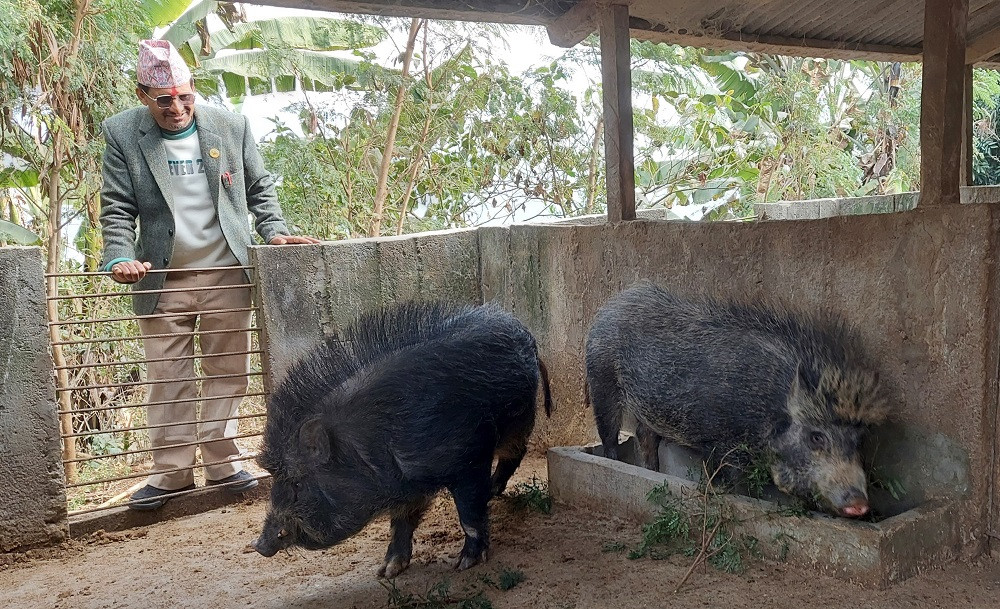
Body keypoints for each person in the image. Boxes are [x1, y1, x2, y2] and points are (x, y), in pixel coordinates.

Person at [99, 40, 319, 511]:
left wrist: (275, 232)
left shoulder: (230, 125)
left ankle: (223, 464)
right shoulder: (121, 133)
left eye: (184, 97)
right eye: (164, 100)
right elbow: (116, 209)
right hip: (161, 276)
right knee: (167, 377)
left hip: (225, 271)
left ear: (192, 90)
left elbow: (260, 187)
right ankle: (172, 474)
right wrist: (119, 257)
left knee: (227, 371)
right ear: (143, 95)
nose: (176, 108)